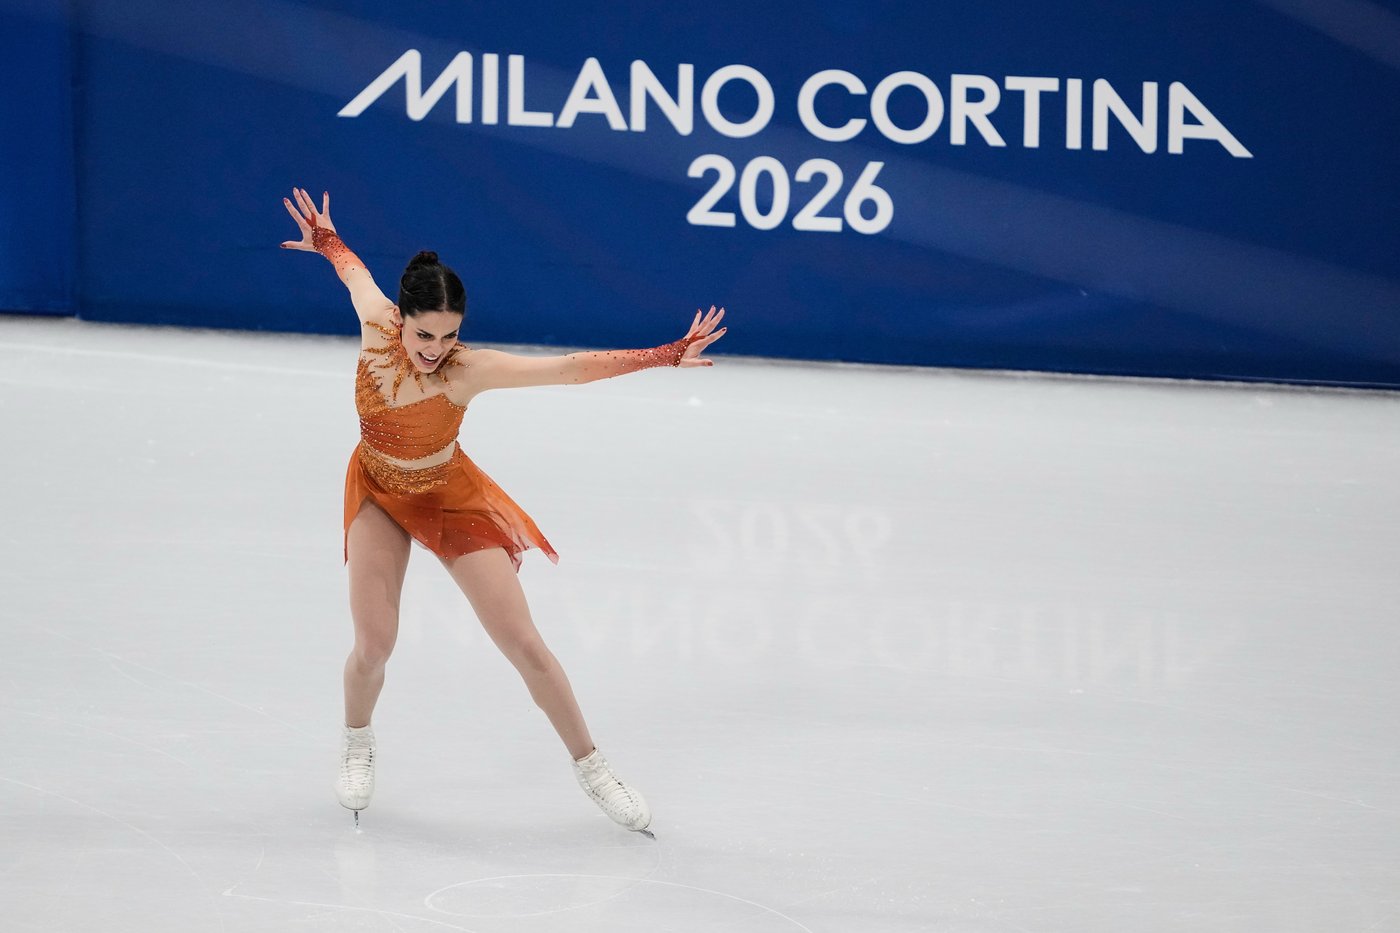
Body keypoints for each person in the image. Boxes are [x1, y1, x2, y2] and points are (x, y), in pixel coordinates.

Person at [280, 187, 726, 835]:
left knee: (524, 642)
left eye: (448, 335)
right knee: (374, 646)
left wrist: (660, 355)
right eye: (424, 332)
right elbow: (351, 268)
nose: (435, 347)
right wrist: (326, 239)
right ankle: (357, 739)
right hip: (377, 488)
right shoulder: (374, 318)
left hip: (447, 493)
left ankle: (593, 766)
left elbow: (570, 369)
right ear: (399, 318)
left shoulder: (469, 370)